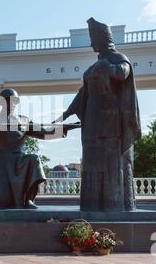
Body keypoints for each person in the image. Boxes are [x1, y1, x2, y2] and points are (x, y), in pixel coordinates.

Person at [55, 18, 141, 212]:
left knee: (111, 165)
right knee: (92, 164)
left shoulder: (118, 58)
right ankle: (92, 204)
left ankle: (114, 206)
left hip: (110, 125)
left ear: (103, 38)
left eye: (93, 38)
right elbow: (82, 94)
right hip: (92, 124)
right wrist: (65, 114)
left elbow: (123, 73)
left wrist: (110, 69)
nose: (91, 43)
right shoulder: (95, 66)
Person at [0, 88, 78, 210]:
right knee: (3, 201)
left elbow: (45, 132)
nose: (11, 103)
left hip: (19, 161)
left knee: (33, 159)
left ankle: (28, 199)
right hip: (1, 162)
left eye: (14, 100)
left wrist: (66, 127)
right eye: (7, 100)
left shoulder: (24, 120)